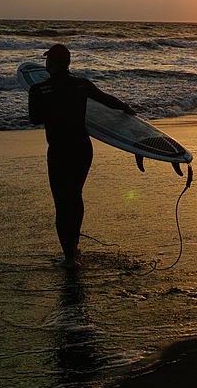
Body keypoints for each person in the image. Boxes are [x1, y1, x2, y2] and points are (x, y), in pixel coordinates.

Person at [28, 44, 135, 269]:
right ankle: (74, 247)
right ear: (67, 63)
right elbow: (108, 100)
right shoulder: (81, 84)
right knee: (75, 196)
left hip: (59, 149)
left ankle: (68, 255)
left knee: (61, 202)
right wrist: (128, 110)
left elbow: (35, 119)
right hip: (81, 148)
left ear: (51, 64)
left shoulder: (38, 90)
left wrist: (52, 107)